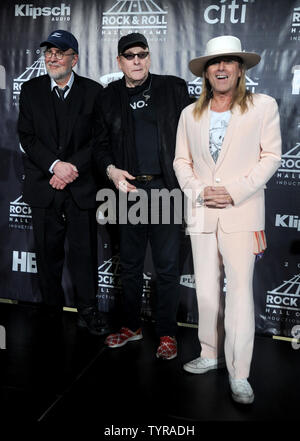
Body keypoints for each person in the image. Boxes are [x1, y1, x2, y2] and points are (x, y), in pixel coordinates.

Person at [174, 35, 281, 402]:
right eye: (214, 63)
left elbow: (271, 157)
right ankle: (209, 353)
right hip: (202, 213)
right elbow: (180, 161)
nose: (221, 68)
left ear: (240, 70)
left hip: (242, 213)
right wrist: (199, 190)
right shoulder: (190, 114)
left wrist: (234, 190)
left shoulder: (263, 106)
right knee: (205, 290)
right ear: (206, 72)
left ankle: (239, 373)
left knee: (238, 295)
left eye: (229, 62)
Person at [94, 33, 191, 359]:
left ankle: (167, 334)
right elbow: (100, 145)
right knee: (132, 266)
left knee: (166, 268)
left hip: (166, 189)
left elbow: (194, 135)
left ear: (148, 58)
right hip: (129, 191)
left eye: (142, 55)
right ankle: (130, 326)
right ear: (119, 61)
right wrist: (111, 171)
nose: (136, 60)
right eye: (129, 56)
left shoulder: (173, 88)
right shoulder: (108, 97)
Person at [18, 29, 108, 335]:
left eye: (60, 52)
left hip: (81, 188)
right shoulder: (30, 91)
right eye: (49, 52)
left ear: (75, 59)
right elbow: (27, 137)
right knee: (47, 254)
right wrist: (56, 166)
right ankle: (51, 310)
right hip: (44, 186)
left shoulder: (95, 92)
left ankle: (88, 311)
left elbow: (98, 140)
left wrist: (71, 169)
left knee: (84, 254)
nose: (52, 58)